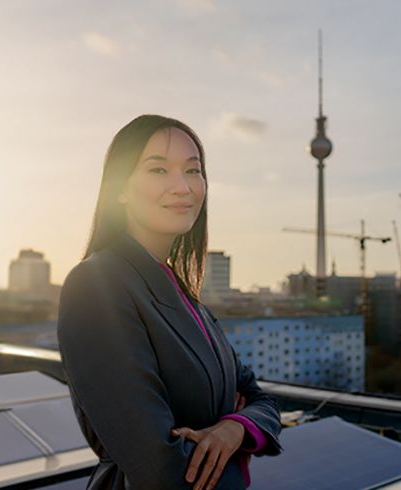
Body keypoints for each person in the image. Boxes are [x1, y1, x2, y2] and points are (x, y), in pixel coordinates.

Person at [57, 114, 284, 490]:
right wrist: (222, 436)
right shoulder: (96, 285)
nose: (182, 187)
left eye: (193, 171)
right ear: (120, 187)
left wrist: (233, 428)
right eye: (158, 170)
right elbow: (159, 467)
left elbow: (263, 401)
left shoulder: (184, 296)